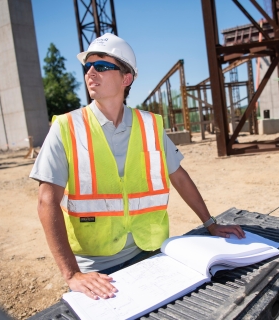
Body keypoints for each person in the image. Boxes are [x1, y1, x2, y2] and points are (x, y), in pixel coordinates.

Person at [29, 33, 245, 301]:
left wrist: (210, 224)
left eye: (103, 66)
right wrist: (71, 273)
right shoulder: (66, 127)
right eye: (88, 66)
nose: (91, 72)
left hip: (151, 252)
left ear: (126, 78)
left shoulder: (150, 125)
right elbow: (46, 201)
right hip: (96, 267)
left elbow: (179, 176)